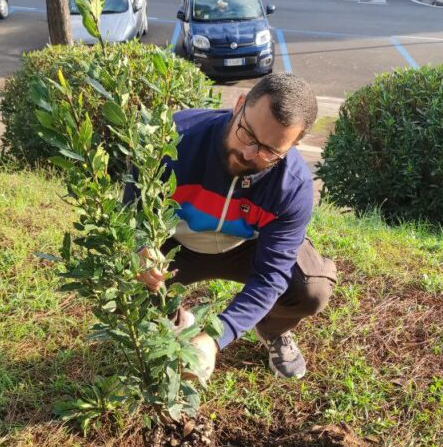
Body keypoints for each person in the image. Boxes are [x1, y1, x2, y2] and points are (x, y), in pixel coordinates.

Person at [139, 73, 337, 381]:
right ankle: (175, 320)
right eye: (247, 134)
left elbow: (271, 275)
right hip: (178, 243)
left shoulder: (293, 186)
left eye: (270, 151)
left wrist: (216, 339)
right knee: (133, 277)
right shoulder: (175, 137)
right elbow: (133, 208)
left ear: (294, 144)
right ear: (239, 104)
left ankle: (272, 329)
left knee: (310, 289)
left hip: (245, 247)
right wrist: (141, 246)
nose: (249, 154)